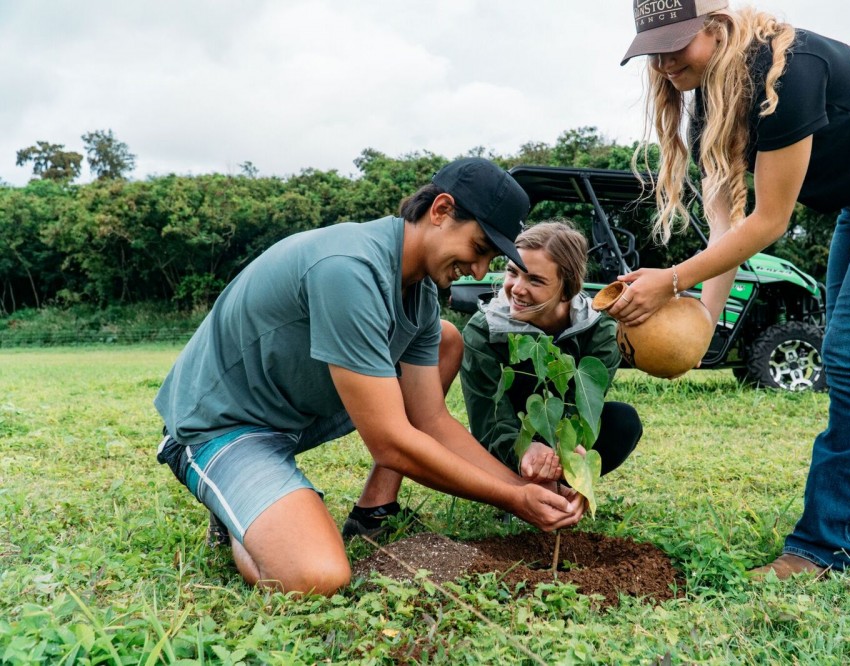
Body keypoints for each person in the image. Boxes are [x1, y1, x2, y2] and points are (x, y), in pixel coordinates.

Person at [615, 1, 850, 578]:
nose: (663, 62)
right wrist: (702, 325)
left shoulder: (784, 72)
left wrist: (672, 279)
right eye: (652, 50)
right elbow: (727, 226)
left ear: (715, 28)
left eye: (676, 44)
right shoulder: (711, 101)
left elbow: (769, 223)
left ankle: (827, 549)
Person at [154, 157, 584, 596]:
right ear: (440, 211)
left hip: (289, 418)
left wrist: (527, 492)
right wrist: (511, 498)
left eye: (490, 259)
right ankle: (239, 513)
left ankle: (301, 505)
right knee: (317, 575)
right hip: (217, 425)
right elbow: (391, 440)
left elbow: (431, 421)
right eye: (478, 249)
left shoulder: (419, 298)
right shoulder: (349, 270)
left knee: (444, 341)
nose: (477, 271)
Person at [345, 221, 643, 535]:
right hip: (510, 439)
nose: (517, 288)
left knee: (623, 421)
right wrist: (525, 451)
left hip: (562, 433)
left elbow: (585, 410)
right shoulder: (483, 329)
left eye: (536, 280)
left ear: (566, 288)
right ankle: (518, 492)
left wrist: (574, 457)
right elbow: (488, 419)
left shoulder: (600, 332)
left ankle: (561, 493)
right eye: (513, 272)